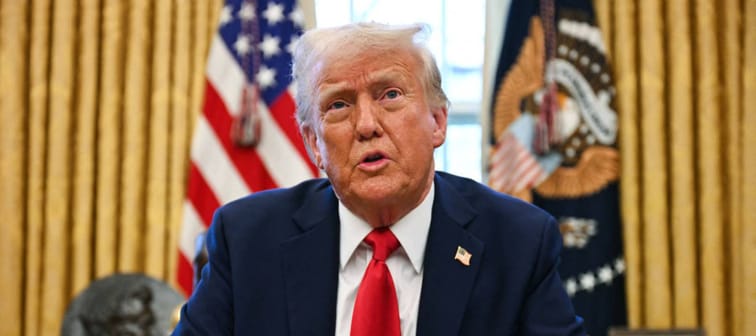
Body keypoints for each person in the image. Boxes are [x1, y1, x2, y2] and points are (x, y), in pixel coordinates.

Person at [172, 22, 585, 335]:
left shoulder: (517, 242)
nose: (366, 125)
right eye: (338, 105)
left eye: (390, 95)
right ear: (314, 144)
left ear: (438, 122)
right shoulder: (246, 240)